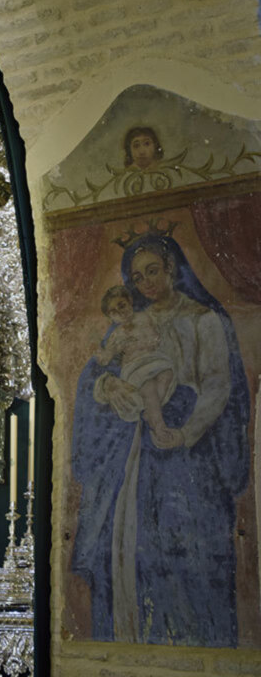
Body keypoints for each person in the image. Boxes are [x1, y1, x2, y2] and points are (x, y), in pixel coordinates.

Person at [71, 232, 249, 646]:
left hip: (186, 453)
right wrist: (106, 387)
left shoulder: (202, 320)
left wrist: (185, 432)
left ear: (173, 270)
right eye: (138, 276)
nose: (147, 282)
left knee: (185, 556)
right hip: (135, 453)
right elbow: (98, 372)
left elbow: (218, 387)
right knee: (128, 550)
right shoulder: (131, 323)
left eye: (154, 270)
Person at [95, 285, 178, 448]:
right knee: (148, 387)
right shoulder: (117, 335)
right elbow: (106, 358)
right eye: (114, 312)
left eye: (122, 305)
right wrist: (99, 352)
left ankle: (151, 411)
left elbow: (159, 335)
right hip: (134, 368)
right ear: (111, 317)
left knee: (167, 374)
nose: (121, 312)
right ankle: (159, 426)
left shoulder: (145, 318)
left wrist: (154, 340)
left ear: (130, 302)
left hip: (155, 360)